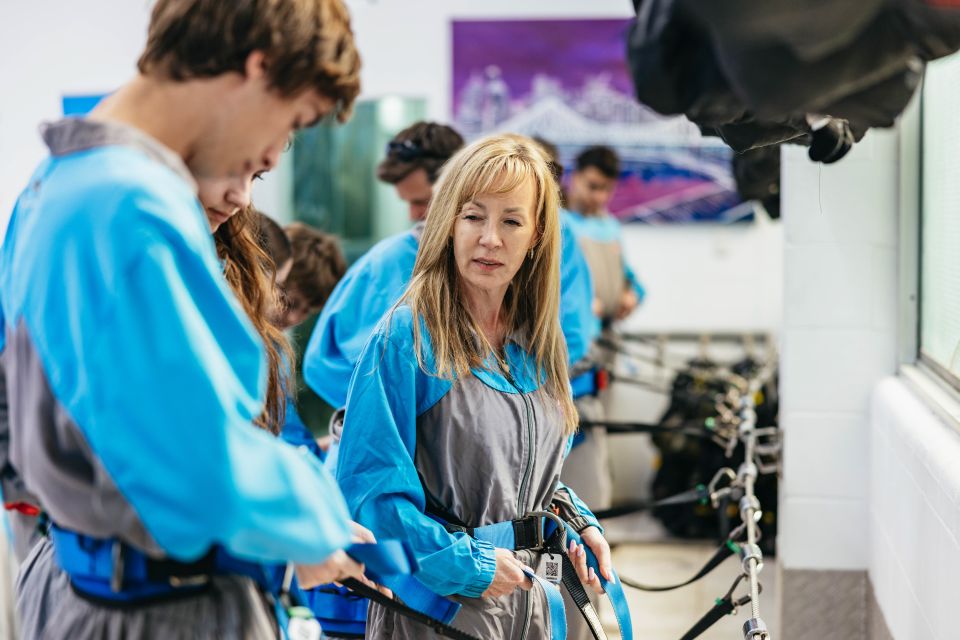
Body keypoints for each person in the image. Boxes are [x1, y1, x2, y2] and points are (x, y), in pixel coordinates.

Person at [0, 1, 365, 637]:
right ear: (259, 70)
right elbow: (203, 464)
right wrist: (315, 518)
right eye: (291, 120)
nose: (263, 163)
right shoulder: (127, 206)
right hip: (156, 606)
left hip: (80, 583)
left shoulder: (54, 187)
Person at [336, 134, 612, 639]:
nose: (490, 238)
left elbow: (522, 479)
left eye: (511, 220)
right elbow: (371, 496)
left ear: (536, 238)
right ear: (448, 224)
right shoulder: (409, 337)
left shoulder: (537, 346)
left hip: (530, 603)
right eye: (473, 216)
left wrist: (579, 522)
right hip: (443, 610)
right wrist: (474, 567)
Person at [302, 122, 464, 411]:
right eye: (409, 203)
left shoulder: (490, 264)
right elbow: (322, 364)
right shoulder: (388, 264)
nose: (415, 214)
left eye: (423, 201)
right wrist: (382, 416)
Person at [565, 145, 645, 322]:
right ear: (575, 178)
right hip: (573, 335)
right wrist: (581, 304)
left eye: (607, 189)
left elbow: (629, 278)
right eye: (593, 187)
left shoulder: (611, 226)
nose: (599, 197)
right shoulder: (559, 223)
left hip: (607, 333)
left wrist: (632, 295)